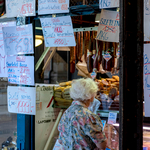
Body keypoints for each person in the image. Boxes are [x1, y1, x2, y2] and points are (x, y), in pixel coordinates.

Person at [54, 78, 107, 150]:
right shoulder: (89, 116)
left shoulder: (67, 112)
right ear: (91, 96)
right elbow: (102, 145)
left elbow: (60, 140)